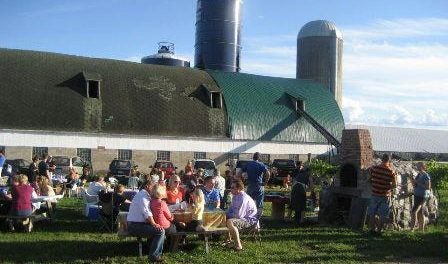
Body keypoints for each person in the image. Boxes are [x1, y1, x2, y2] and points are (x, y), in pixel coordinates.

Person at [127, 180, 165, 262]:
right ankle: (154, 256)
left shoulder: (145, 195)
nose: (155, 189)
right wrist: (154, 224)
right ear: (147, 186)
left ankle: (154, 252)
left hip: (137, 224)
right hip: (134, 226)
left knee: (161, 229)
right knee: (160, 231)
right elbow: (147, 213)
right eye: (153, 187)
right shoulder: (142, 196)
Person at [368, 154, 397, 235]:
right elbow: (395, 185)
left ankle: (372, 230)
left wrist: (375, 185)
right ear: (389, 160)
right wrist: (387, 186)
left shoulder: (373, 168)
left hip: (374, 194)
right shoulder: (391, 171)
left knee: (372, 214)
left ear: (381, 159)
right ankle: (379, 231)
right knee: (382, 215)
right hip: (385, 195)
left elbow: (369, 180)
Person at [225, 179, 258, 251]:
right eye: (231, 187)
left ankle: (238, 245)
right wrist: (224, 215)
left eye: (232, 187)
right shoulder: (235, 196)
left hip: (250, 221)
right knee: (224, 218)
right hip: (243, 218)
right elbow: (231, 210)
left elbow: (239, 215)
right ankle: (228, 241)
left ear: (239, 188)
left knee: (230, 221)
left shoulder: (243, 198)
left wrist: (227, 215)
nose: (230, 189)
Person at [239, 152, 270, 216]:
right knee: (259, 203)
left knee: (249, 201)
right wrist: (266, 182)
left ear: (253, 157)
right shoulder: (261, 165)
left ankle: (248, 216)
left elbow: (239, 173)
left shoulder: (248, 164)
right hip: (259, 185)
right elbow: (268, 173)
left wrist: (242, 181)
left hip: (250, 185)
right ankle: (258, 218)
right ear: (259, 158)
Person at [410, 162, 431, 231]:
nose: (417, 167)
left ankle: (412, 229)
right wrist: (411, 179)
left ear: (423, 166)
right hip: (417, 195)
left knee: (414, 211)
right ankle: (421, 229)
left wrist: (417, 182)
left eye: (419, 166)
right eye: (417, 166)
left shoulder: (426, 175)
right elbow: (414, 185)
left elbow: (428, 187)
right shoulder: (418, 175)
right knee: (420, 212)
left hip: (423, 196)